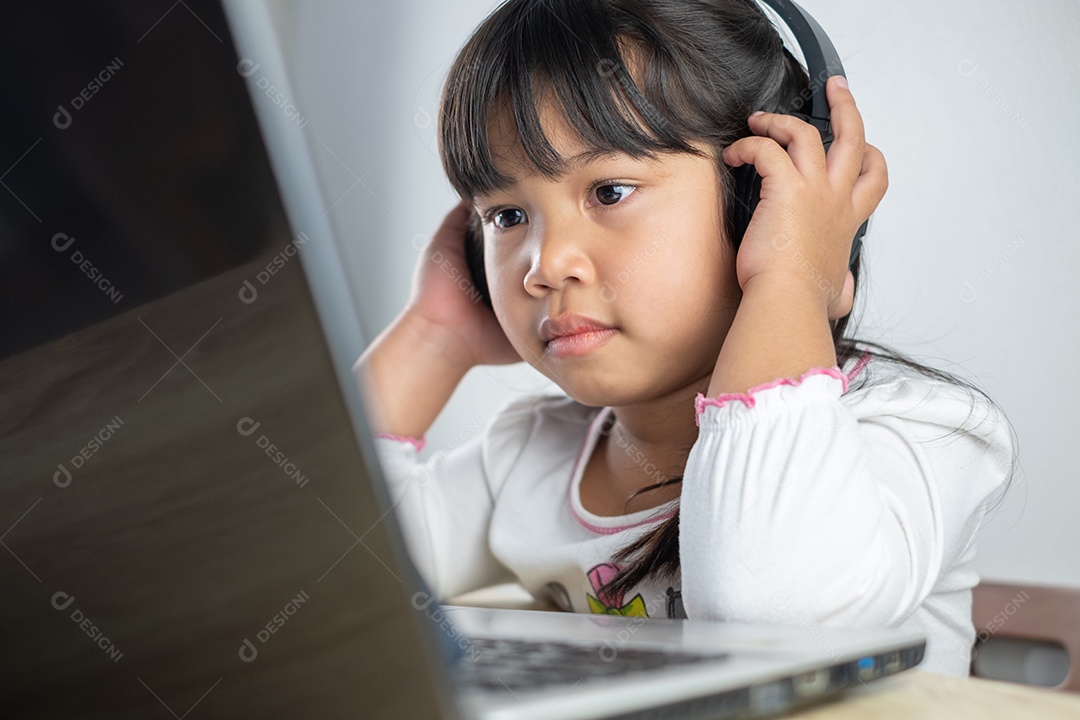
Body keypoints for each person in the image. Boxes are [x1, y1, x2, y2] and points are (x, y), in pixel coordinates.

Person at [355, 0, 1016, 675]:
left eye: (609, 191)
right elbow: (323, 570)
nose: (545, 267)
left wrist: (789, 283)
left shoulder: (921, 430)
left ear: (756, 205)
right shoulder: (531, 457)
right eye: (508, 215)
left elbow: (772, 617)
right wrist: (434, 337)